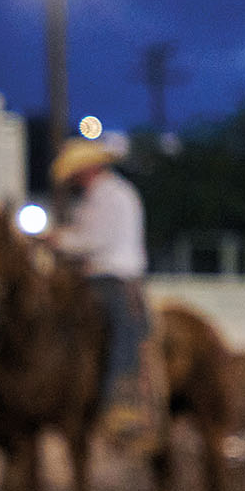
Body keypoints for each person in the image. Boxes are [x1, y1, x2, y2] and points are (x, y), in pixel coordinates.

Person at [49, 135, 154, 446]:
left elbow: (94, 241)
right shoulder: (103, 195)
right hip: (101, 274)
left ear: (89, 169)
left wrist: (58, 240)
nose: (75, 179)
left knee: (122, 332)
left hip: (114, 277)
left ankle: (119, 400)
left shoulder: (110, 196)